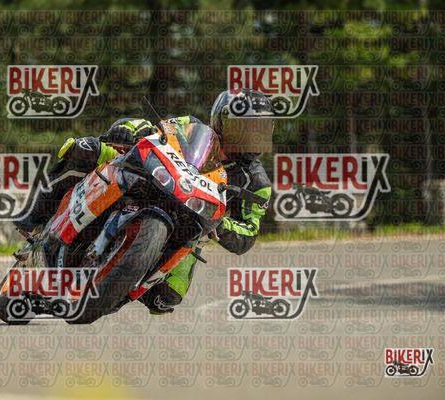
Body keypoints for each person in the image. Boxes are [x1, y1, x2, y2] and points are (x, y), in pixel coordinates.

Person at [15, 89, 275, 315]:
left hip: (189, 220)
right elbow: (160, 130)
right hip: (153, 176)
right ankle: (35, 221)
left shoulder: (257, 184)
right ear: (219, 121)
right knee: (85, 149)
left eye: (258, 131)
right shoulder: (193, 126)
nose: (248, 138)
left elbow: (248, 232)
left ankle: (119, 282)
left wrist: (221, 225)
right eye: (242, 128)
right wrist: (132, 128)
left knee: (166, 298)